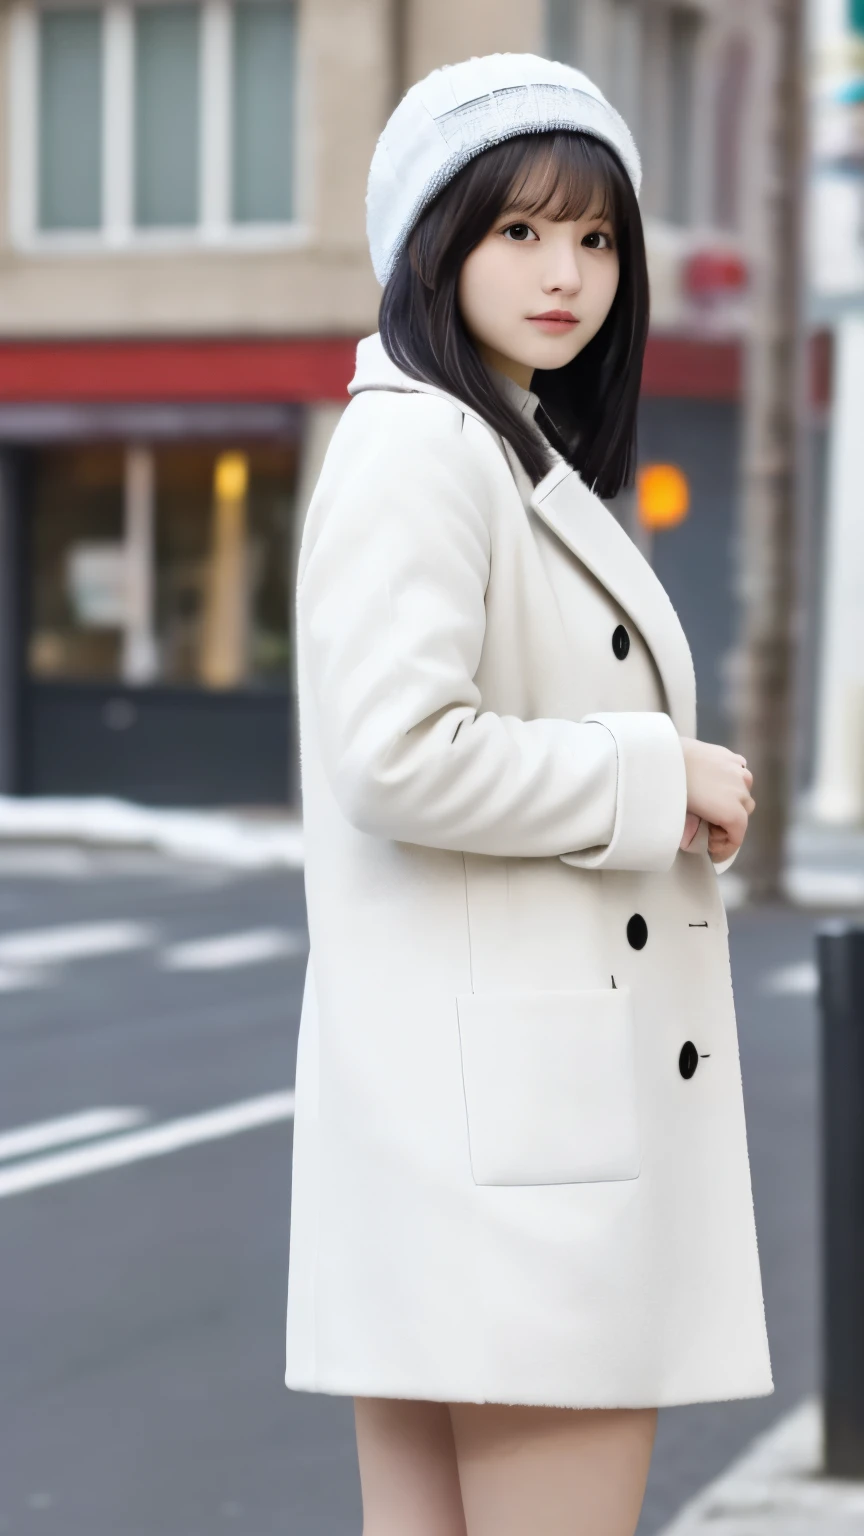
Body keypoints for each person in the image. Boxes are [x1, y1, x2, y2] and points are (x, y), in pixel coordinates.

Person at [284, 52, 773, 1536]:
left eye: (597, 237)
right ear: (436, 243)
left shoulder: (485, 442)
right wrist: (653, 771)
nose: (568, 273)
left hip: (482, 1128)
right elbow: (399, 752)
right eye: (519, 231)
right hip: (517, 1157)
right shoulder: (431, 448)